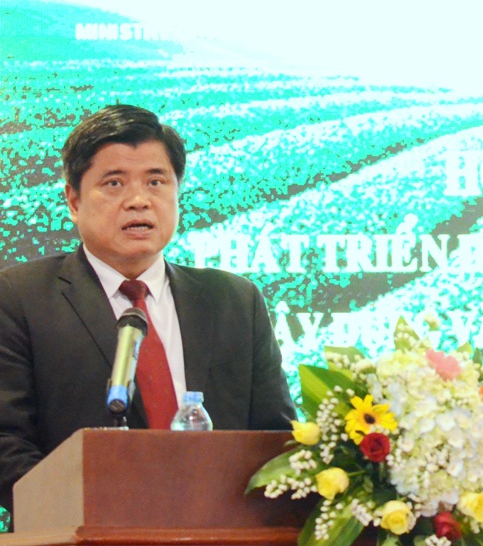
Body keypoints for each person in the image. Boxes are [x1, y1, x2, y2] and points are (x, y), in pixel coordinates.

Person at [0, 105, 296, 519]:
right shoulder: (19, 297)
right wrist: (94, 519)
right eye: (114, 183)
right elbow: (7, 443)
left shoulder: (234, 301)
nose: (138, 201)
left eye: (156, 181)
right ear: (73, 200)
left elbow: (277, 441)